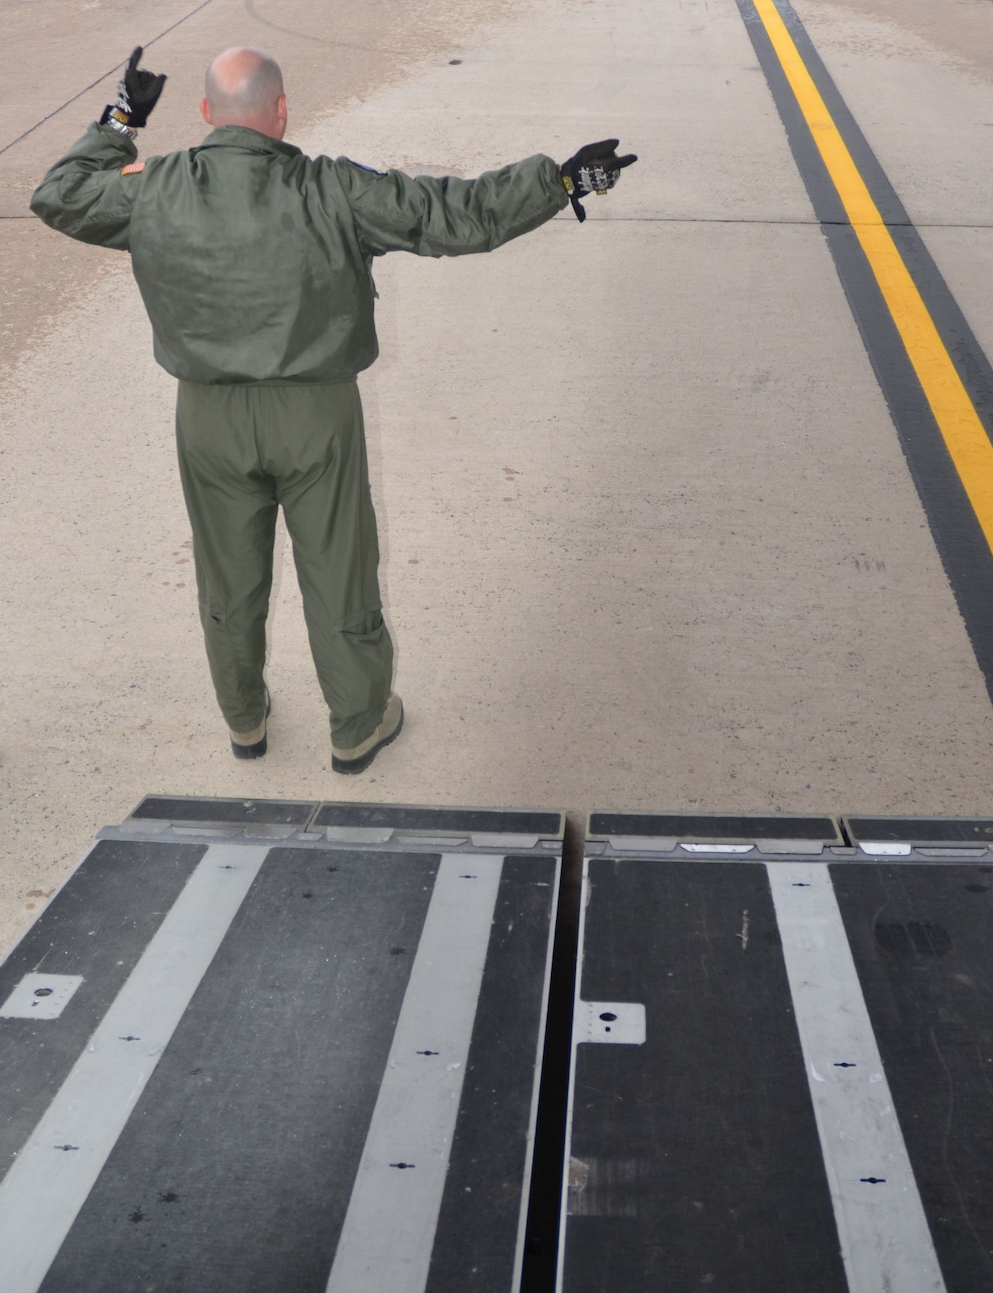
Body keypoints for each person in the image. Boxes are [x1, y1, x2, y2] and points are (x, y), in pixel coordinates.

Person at [31, 46, 635, 773]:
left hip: (208, 419)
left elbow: (59, 193)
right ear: (280, 113)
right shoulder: (334, 190)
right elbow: (453, 215)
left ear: (203, 114)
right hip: (315, 416)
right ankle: (356, 725)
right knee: (338, 569)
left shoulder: (153, 189)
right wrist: (563, 180)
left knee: (228, 578)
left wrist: (120, 119)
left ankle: (245, 721)